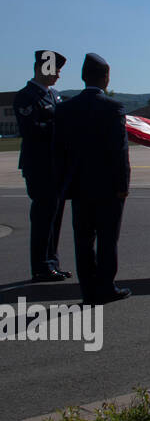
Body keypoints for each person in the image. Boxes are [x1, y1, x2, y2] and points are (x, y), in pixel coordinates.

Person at [53, 53, 131, 304]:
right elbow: (119, 151)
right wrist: (123, 185)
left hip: (78, 187)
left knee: (83, 240)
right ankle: (106, 286)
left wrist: (65, 185)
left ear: (83, 77)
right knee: (108, 239)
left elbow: (59, 151)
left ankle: (87, 290)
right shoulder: (113, 107)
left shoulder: (64, 108)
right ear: (106, 78)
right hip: (108, 187)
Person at [15, 50, 73, 282]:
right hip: (39, 166)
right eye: (55, 70)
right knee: (43, 217)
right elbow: (32, 130)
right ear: (42, 68)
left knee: (54, 216)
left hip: (55, 165)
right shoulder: (26, 96)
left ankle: (51, 262)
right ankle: (41, 266)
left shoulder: (55, 96)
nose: (58, 75)